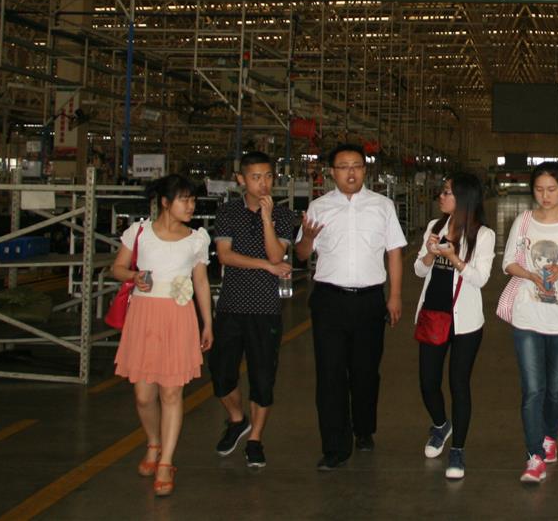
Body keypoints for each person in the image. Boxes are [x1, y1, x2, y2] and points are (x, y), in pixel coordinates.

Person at [296, 143, 406, 470]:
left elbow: (394, 252)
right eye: (343, 167)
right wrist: (306, 238)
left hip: (369, 301)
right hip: (329, 300)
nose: (351, 172)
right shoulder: (318, 207)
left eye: (356, 166)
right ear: (332, 172)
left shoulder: (382, 206)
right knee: (330, 374)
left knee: (365, 371)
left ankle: (364, 428)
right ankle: (335, 446)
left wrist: (395, 295)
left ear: (365, 170)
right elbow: (302, 254)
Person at [111, 174, 213, 497]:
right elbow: (117, 268)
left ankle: (166, 461)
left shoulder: (197, 239)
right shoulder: (139, 232)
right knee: (144, 396)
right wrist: (134, 275)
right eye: (185, 199)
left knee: (171, 393)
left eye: (193, 200)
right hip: (144, 317)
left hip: (179, 317)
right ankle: (153, 442)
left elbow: (201, 282)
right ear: (165, 203)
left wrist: (207, 323)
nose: (191, 206)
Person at [501, 161, 558, 484]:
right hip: (527, 315)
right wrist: (530, 275)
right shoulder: (523, 221)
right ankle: (534, 456)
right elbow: (508, 263)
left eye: (551, 189)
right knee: (532, 390)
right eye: (539, 190)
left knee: (555, 389)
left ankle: (550, 436)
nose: (545, 195)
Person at [209, 151, 296, 469]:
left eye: (268, 176)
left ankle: (255, 439)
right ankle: (236, 419)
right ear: (241, 180)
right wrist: (266, 267)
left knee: (262, 377)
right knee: (221, 373)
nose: (263, 184)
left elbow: (276, 255)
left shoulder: (284, 215)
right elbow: (225, 256)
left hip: (265, 309)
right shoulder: (227, 212)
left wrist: (266, 219)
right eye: (256, 177)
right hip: (231, 306)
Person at [413, 172, 496, 480]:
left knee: (458, 385)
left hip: (465, 323)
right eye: (443, 191)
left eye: (447, 192)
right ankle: (440, 425)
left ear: (463, 198)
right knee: (428, 382)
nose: (441, 196)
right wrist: (429, 254)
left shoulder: (483, 235)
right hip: (433, 316)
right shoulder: (435, 227)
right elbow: (419, 271)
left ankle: (458, 448)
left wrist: (455, 257)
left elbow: (480, 278)